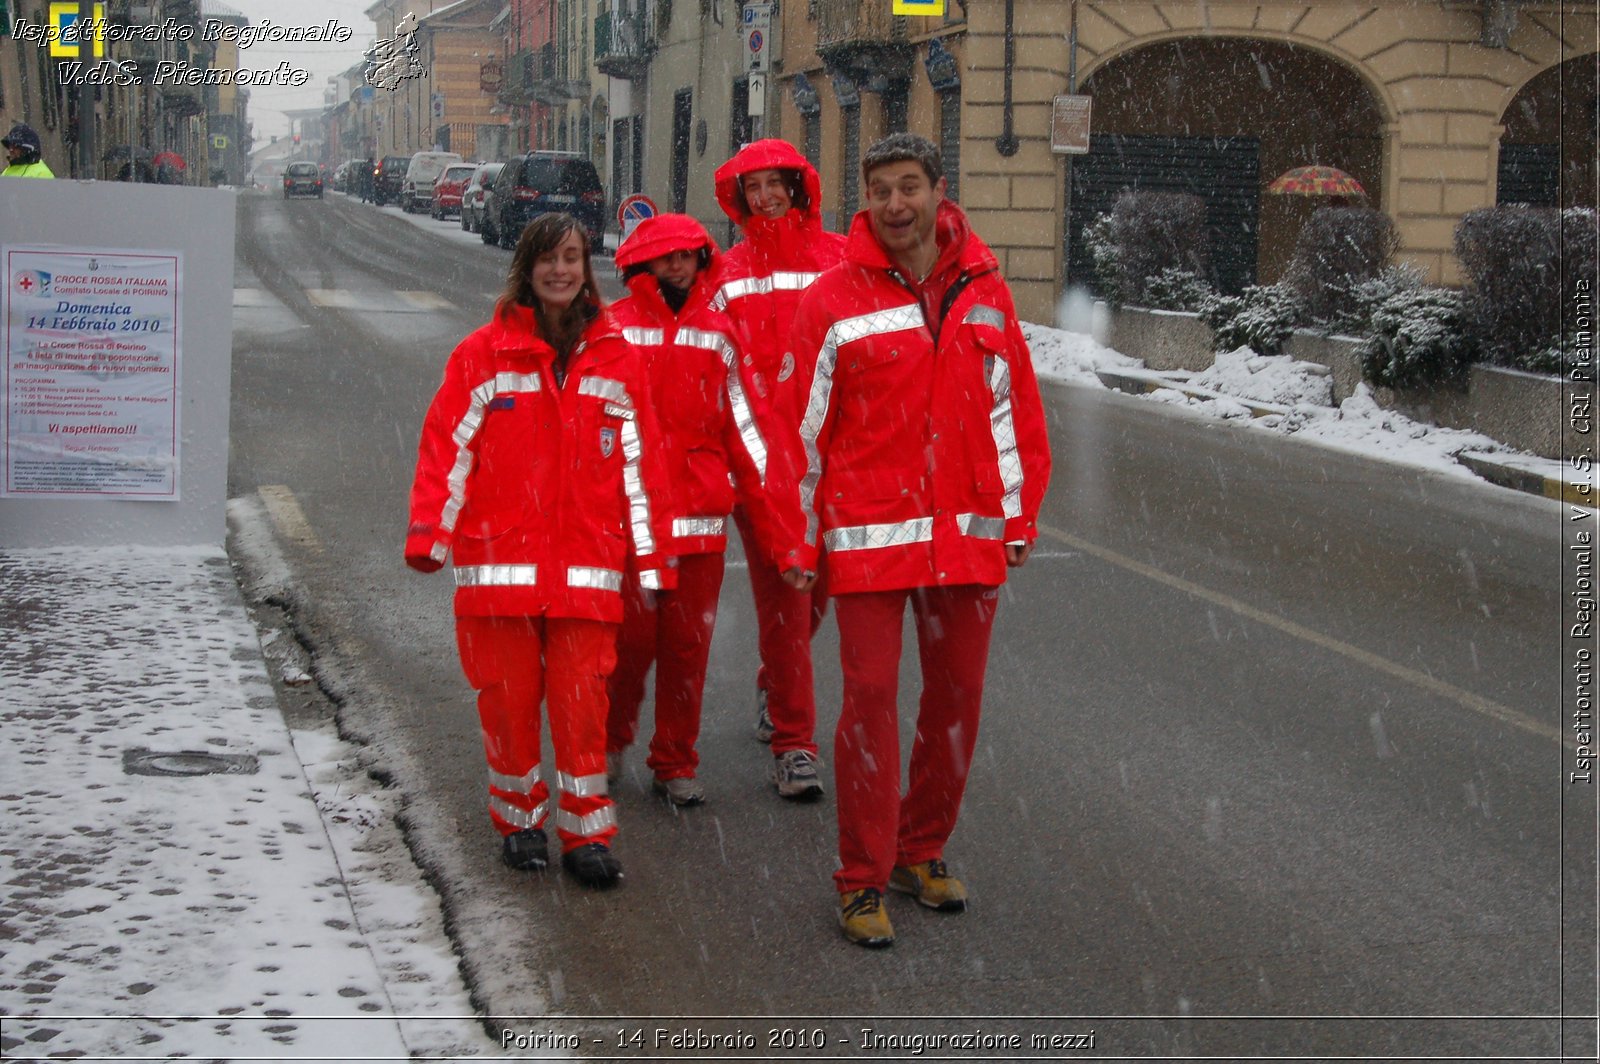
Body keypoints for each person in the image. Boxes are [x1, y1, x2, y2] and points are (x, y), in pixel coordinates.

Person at [784, 133, 1053, 947]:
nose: (894, 204)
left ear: (939, 192)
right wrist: (799, 542)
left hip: (964, 540)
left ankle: (920, 849)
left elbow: (1012, 413)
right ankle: (861, 878)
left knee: (956, 704)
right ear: (861, 201)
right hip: (866, 540)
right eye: (878, 190)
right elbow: (800, 433)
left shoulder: (984, 292)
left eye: (909, 186)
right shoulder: (830, 300)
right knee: (870, 705)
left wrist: (1016, 513)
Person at [404, 212, 675, 889]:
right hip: (499, 571)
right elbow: (446, 447)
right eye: (548, 259)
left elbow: (643, 470)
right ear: (526, 269)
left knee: (583, 708)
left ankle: (587, 832)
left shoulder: (619, 360)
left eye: (573, 258)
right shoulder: (482, 355)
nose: (561, 271)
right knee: (508, 704)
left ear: (588, 270)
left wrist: (654, 557)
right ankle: (520, 821)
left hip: (586, 569)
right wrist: (429, 535)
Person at [604, 213, 805, 806]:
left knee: (687, 653)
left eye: (686, 256)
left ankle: (675, 761)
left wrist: (782, 532)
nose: (675, 266)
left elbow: (750, 436)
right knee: (625, 651)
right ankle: (608, 746)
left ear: (700, 263)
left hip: (699, 529)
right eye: (664, 257)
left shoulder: (720, 336)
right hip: (630, 529)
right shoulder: (610, 331)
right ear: (640, 264)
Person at [711, 138, 846, 801]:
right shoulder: (726, 272)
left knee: (816, 595)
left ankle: (773, 683)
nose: (764, 196)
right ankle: (796, 746)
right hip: (758, 466)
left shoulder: (841, 259)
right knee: (786, 603)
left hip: (829, 461)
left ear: (798, 186)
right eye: (752, 186)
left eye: (775, 183)